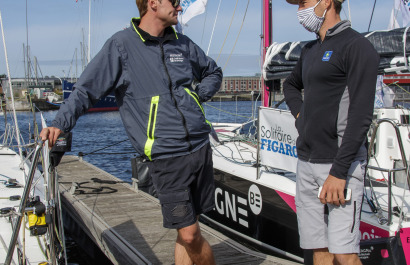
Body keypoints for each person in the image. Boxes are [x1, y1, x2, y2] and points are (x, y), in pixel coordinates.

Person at [40, 0, 222, 264]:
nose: (180, 8)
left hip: (199, 147)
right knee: (191, 233)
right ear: (153, 4)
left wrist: (195, 96)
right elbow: (85, 90)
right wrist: (60, 123)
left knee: (187, 228)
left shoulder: (182, 43)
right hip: (166, 155)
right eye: (174, 2)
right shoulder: (121, 46)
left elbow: (212, 72)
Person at [283, 0, 379, 264]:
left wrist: (339, 172)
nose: (300, 10)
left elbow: (361, 116)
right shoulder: (311, 50)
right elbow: (290, 85)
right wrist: (301, 116)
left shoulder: (356, 47)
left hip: (339, 166)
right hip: (306, 162)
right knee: (319, 250)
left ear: (326, 2)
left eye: (303, 3)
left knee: (345, 254)